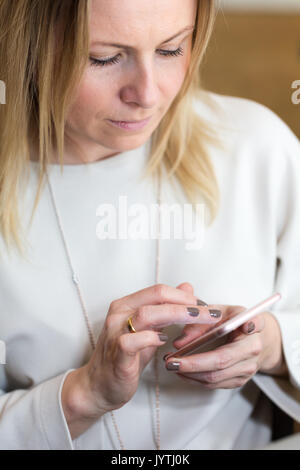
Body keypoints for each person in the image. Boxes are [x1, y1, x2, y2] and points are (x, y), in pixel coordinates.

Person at [0, 0, 299, 450]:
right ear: (30, 48)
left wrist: (273, 347)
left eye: (171, 49)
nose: (148, 93)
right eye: (103, 57)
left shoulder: (256, 147)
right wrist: (84, 395)